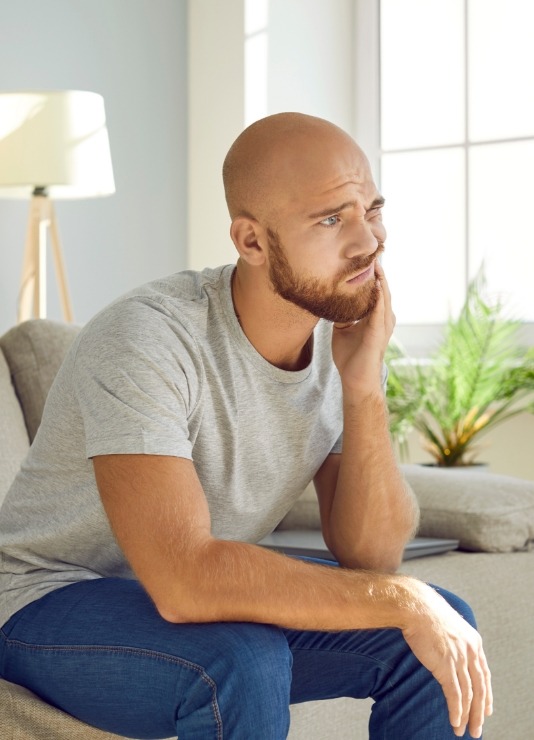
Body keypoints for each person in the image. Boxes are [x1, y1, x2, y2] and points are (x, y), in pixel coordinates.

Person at [0, 112, 492, 739]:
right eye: (331, 219)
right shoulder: (148, 338)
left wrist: (363, 388)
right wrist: (399, 598)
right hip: (44, 602)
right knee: (243, 659)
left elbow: (372, 555)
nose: (367, 241)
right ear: (252, 241)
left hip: (182, 609)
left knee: (442, 627)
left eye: (372, 209)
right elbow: (183, 580)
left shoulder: (343, 339)